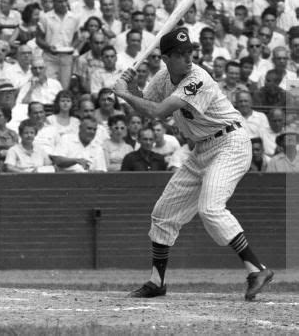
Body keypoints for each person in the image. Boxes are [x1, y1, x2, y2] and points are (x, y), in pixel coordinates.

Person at [113, 27, 273, 301]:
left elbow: (159, 111)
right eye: (180, 54)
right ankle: (157, 281)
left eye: (190, 52)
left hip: (230, 142)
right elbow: (148, 109)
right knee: (163, 214)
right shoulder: (164, 78)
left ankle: (256, 268)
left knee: (210, 207)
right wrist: (131, 88)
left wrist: (125, 94)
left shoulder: (198, 78)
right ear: (166, 58)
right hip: (202, 149)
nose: (188, 58)